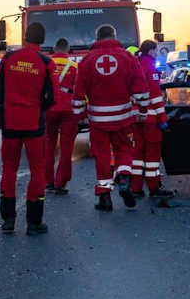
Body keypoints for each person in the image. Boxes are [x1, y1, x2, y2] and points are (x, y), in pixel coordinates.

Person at [73, 24, 150, 211]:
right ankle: (124, 178)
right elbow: (141, 87)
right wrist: (143, 110)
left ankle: (105, 197)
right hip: (123, 117)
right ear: (114, 36)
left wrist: (79, 114)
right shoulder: (128, 58)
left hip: (98, 119)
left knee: (101, 155)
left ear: (97, 38)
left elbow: (78, 92)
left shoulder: (87, 60)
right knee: (124, 150)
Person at [0, 22, 56, 234]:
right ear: (42, 39)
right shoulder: (46, 63)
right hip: (34, 123)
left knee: (9, 168)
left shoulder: (9, 58)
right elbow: (51, 98)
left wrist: (5, 108)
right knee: (38, 169)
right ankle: (34, 221)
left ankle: (8, 219)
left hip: (10, 121)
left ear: (26, 36)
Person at [131, 40, 174, 199]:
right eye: (156, 51)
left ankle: (135, 188)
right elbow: (155, 96)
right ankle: (154, 188)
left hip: (136, 117)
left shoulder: (135, 66)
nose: (157, 53)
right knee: (152, 156)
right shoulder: (150, 69)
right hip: (150, 119)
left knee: (137, 154)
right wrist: (163, 118)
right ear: (150, 51)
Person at [45, 38, 78, 195]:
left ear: (53, 48)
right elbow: (80, 90)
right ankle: (61, 182)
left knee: (48, 145)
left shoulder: (46, 65)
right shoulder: (74, 67)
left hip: (49, 109)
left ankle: (48, 181)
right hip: (68, 109)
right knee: (66, 147)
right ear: (68, 49)